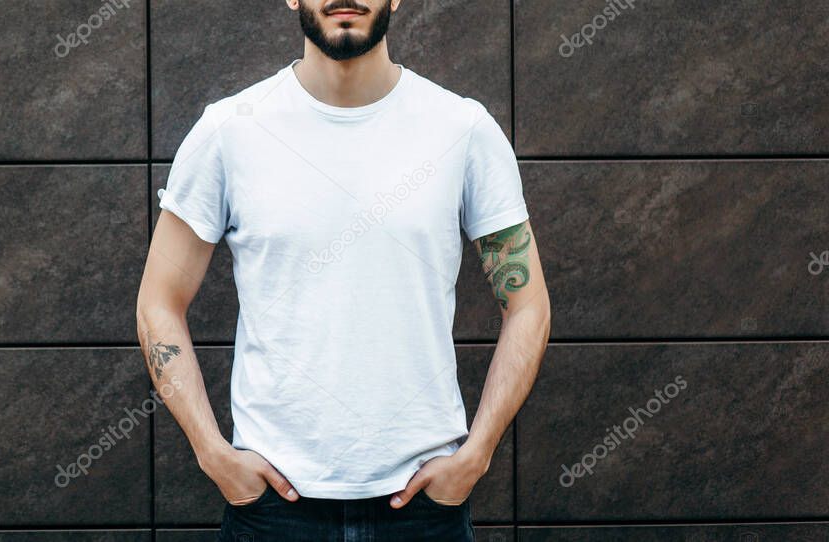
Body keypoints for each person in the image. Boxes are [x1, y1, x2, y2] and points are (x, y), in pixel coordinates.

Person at [136, 1, 551, 540]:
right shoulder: (229, 131)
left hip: (424, 512)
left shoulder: (462, 129)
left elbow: (528, 304)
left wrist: (478, 453)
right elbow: (158, 301)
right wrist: (212, 453)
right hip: (274, 511)